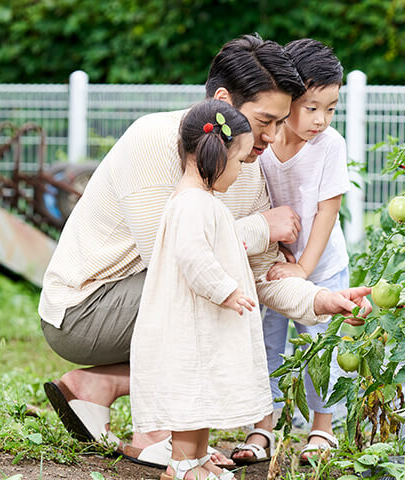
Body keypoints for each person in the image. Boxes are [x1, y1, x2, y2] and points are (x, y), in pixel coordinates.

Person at [39, 34, 373, 469]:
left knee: (232, 296)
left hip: (139, 306)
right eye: (264, 121)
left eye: (280, 122)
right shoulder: (154, 140)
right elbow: (175, 259)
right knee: (211, 292)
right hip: (84, 310)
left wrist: (318, 300)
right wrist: (260, 227)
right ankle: (159, 433)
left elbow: (262, 277)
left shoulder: (248, 169)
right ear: (223, 101)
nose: (272, 137)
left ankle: (101, 388)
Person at [231, 38, 350, 466]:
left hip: (321, 266)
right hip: (273, 265)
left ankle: (322, 427)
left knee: (320, 346)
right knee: (264, 342)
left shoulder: (329, 146)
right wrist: (280, 260)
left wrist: (303, 266)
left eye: (331, 108)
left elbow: (326, 212)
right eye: (312, 106)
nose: (321, 119)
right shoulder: (265, 141)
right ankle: (262, 424)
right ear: (289, 97)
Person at [131, 100, 263, 480]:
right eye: (239, 162)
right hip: (191, 321)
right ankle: (182, 465)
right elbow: (192, 256)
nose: (239, 172)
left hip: (199, 320)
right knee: (190, 394)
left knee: (201, 392)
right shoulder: (193, 203)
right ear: (215, 156)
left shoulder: (201, 200)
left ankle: (198, 457)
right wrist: (226, 290)